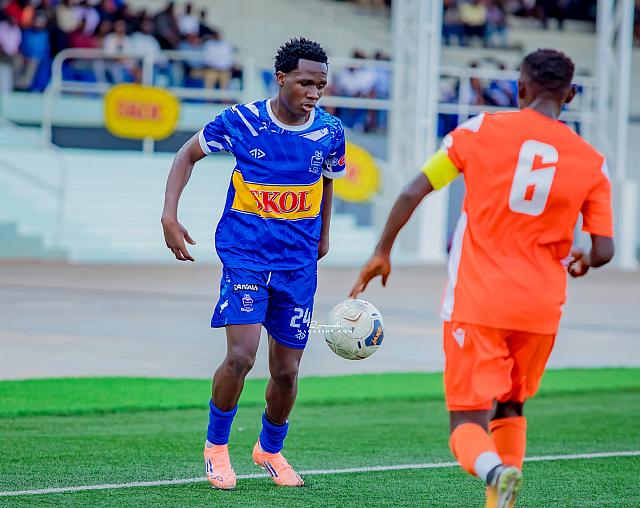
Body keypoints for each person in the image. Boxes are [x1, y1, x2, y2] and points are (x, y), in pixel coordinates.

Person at [349, 49, 614, 507]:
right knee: (511, 406)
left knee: (467, 421)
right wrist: (585, 260)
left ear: (520, 88)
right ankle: (500, 498)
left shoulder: (479, 130)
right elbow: (604, 250)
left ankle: (494, 471)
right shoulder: (592, 161)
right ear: (570, 95)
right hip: (541, 308)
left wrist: (382, 251)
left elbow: (414, 189)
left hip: (479, 300)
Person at [161, 37, 346, 490]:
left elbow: (327, 181)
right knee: (241, 357)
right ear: (281, 78)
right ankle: (216, 448)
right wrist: (169, 215)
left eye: (321, 85)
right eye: (305, 83)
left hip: (297, 264)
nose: (314, 93)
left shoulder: (330, 131)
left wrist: (323, 235)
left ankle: (270, 449)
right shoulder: (242, 121)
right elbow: (187, 154)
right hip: (245, 257)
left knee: (286, 371)